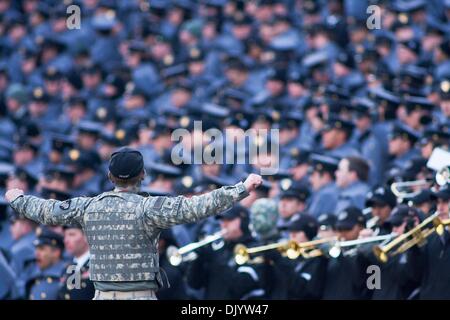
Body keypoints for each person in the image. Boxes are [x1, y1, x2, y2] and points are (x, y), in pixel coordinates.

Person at [5, 147, 262, 300]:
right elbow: (197, 206)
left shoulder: (88, 207)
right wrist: (241, 189)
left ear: (110, 176)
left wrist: (18, 199)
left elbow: (48, 211)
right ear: (143, 175)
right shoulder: (149, 208)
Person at [58, 223, 95, 300]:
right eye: (65, 236)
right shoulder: (67, 268)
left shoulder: (96, 266)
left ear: (86, 236)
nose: (66, 240)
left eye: (72, 235)